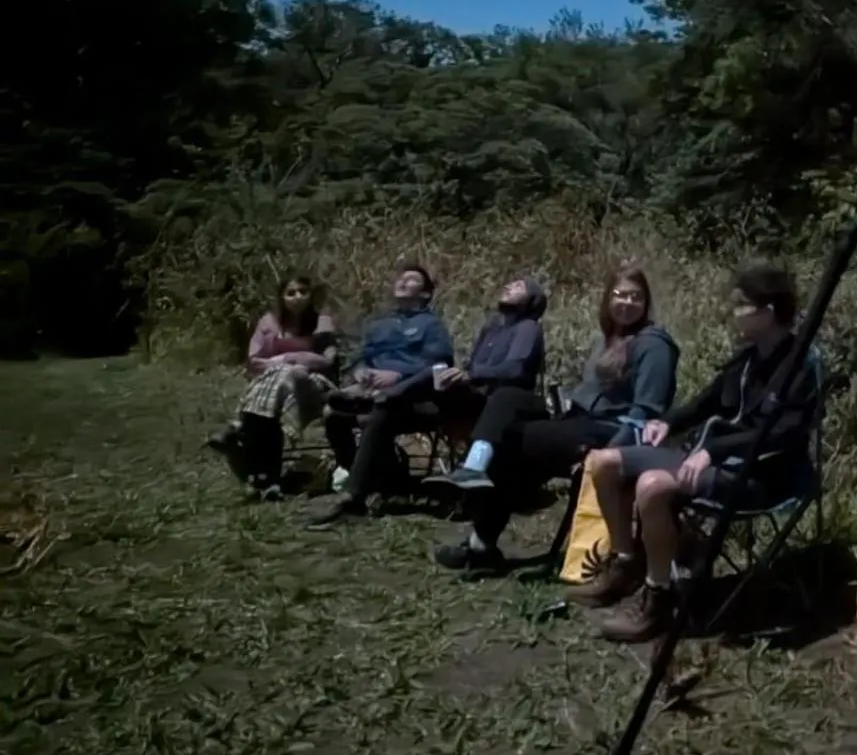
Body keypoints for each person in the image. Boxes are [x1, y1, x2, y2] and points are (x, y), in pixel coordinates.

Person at [572, 262, 820, 644]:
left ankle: (659, 601)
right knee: (604, 463)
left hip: (763, 475)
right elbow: (707, 401)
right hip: (714, 459)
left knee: (653, 486)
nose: (734, 313)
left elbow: (782, 435)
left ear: (767, 311)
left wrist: (713, 452)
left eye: (742, 305)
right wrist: (668, 423)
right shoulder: (748, 358)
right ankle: (625, 565)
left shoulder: (801, 364)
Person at [429, 264, 679, 572]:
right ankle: (482, 503)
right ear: (607, 300)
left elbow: (647, 411)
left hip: (610, 433)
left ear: (645, 303)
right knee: (507, 417)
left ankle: (490, 532)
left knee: (514, 440)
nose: (626, 303)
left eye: (635, 297)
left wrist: (607, 455)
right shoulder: (608, 341)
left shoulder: (654, 344)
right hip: (577, 421)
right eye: (619, 295)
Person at [309, 275, 548, 524]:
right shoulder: (492, 328)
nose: (509, 285)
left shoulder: (527, 327)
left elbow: (514, 370)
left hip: (491, 405)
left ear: (532, 300)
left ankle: (376, 399)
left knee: (435, 370)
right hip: (457, 400)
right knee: (384, 415)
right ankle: (353, 497)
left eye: (518, 286)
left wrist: (468, 375)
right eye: (510, 283)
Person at [206, 274, 338, 498]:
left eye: (302, 292)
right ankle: (268, 480)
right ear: (282, 297)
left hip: (313, 383)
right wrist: (285, 364)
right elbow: (253, 360)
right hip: (275, 386)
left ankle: (237, 427)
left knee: (285, 373)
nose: (297, 297)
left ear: (310, 295)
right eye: (291, 293)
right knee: (279, 380)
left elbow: (328, 360)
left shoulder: (321, 322)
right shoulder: (269, 323)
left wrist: (289, 358)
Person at [322, 262, 455, 477]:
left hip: (411, 394)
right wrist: (360, 370)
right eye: (401, 278)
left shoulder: (431, 325)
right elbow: (360, 355)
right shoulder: (378, 323)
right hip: (370, 386)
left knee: (371, 416)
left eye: (412, 279)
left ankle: (380, 477)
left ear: (425, 294)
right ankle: (356, 470)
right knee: (331, 414)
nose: (402, 281)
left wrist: (398, 375)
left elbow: (439, 363)